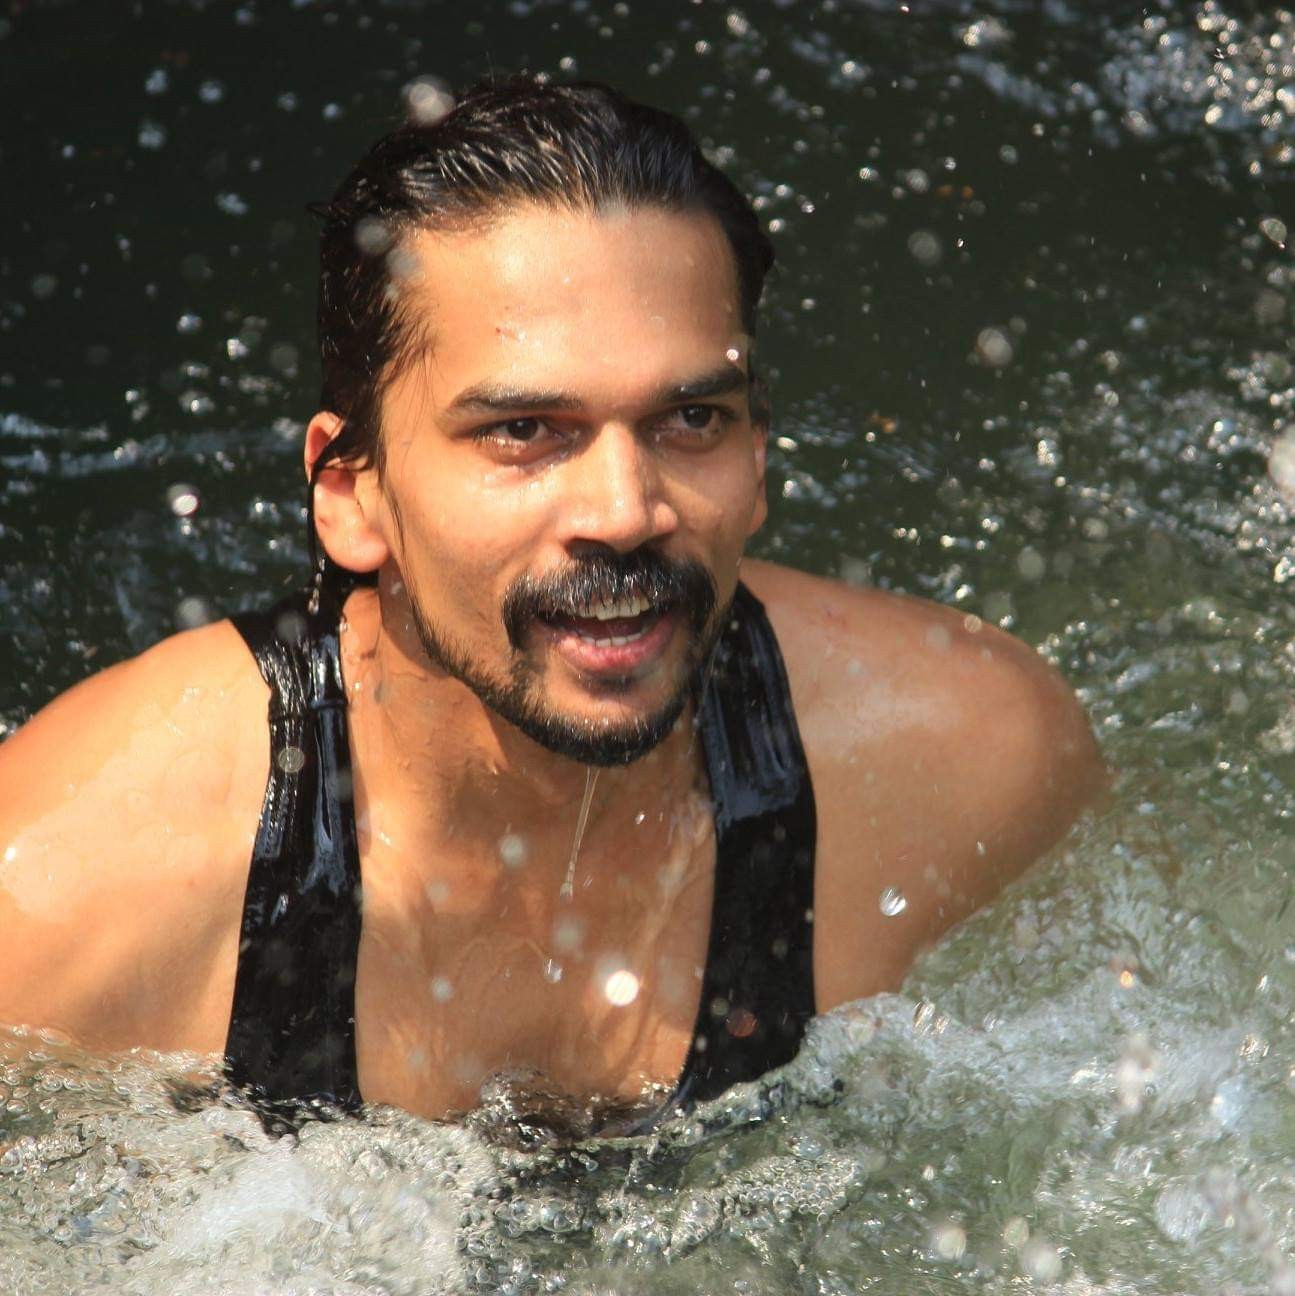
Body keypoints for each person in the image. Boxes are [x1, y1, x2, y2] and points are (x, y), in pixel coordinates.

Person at [0, 76, 1103, 1126]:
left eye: (691, 421)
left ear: (759, 458)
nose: (624, 512)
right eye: (523, 431)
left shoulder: (963, 757)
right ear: (350, 493)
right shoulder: (74, 888)